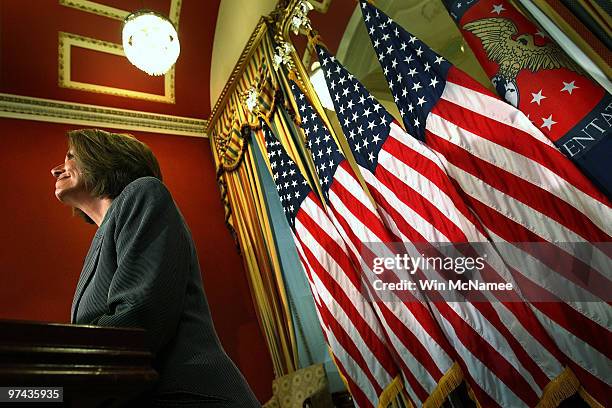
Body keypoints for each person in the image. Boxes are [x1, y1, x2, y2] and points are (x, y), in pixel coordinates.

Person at [51, 128, 260, 407]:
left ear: (103, 159)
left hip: (189, 397)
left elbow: (139, 318)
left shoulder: (144, 193)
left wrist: (49, 381)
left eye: (71, 157)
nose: (56, 169)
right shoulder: (102, 239)